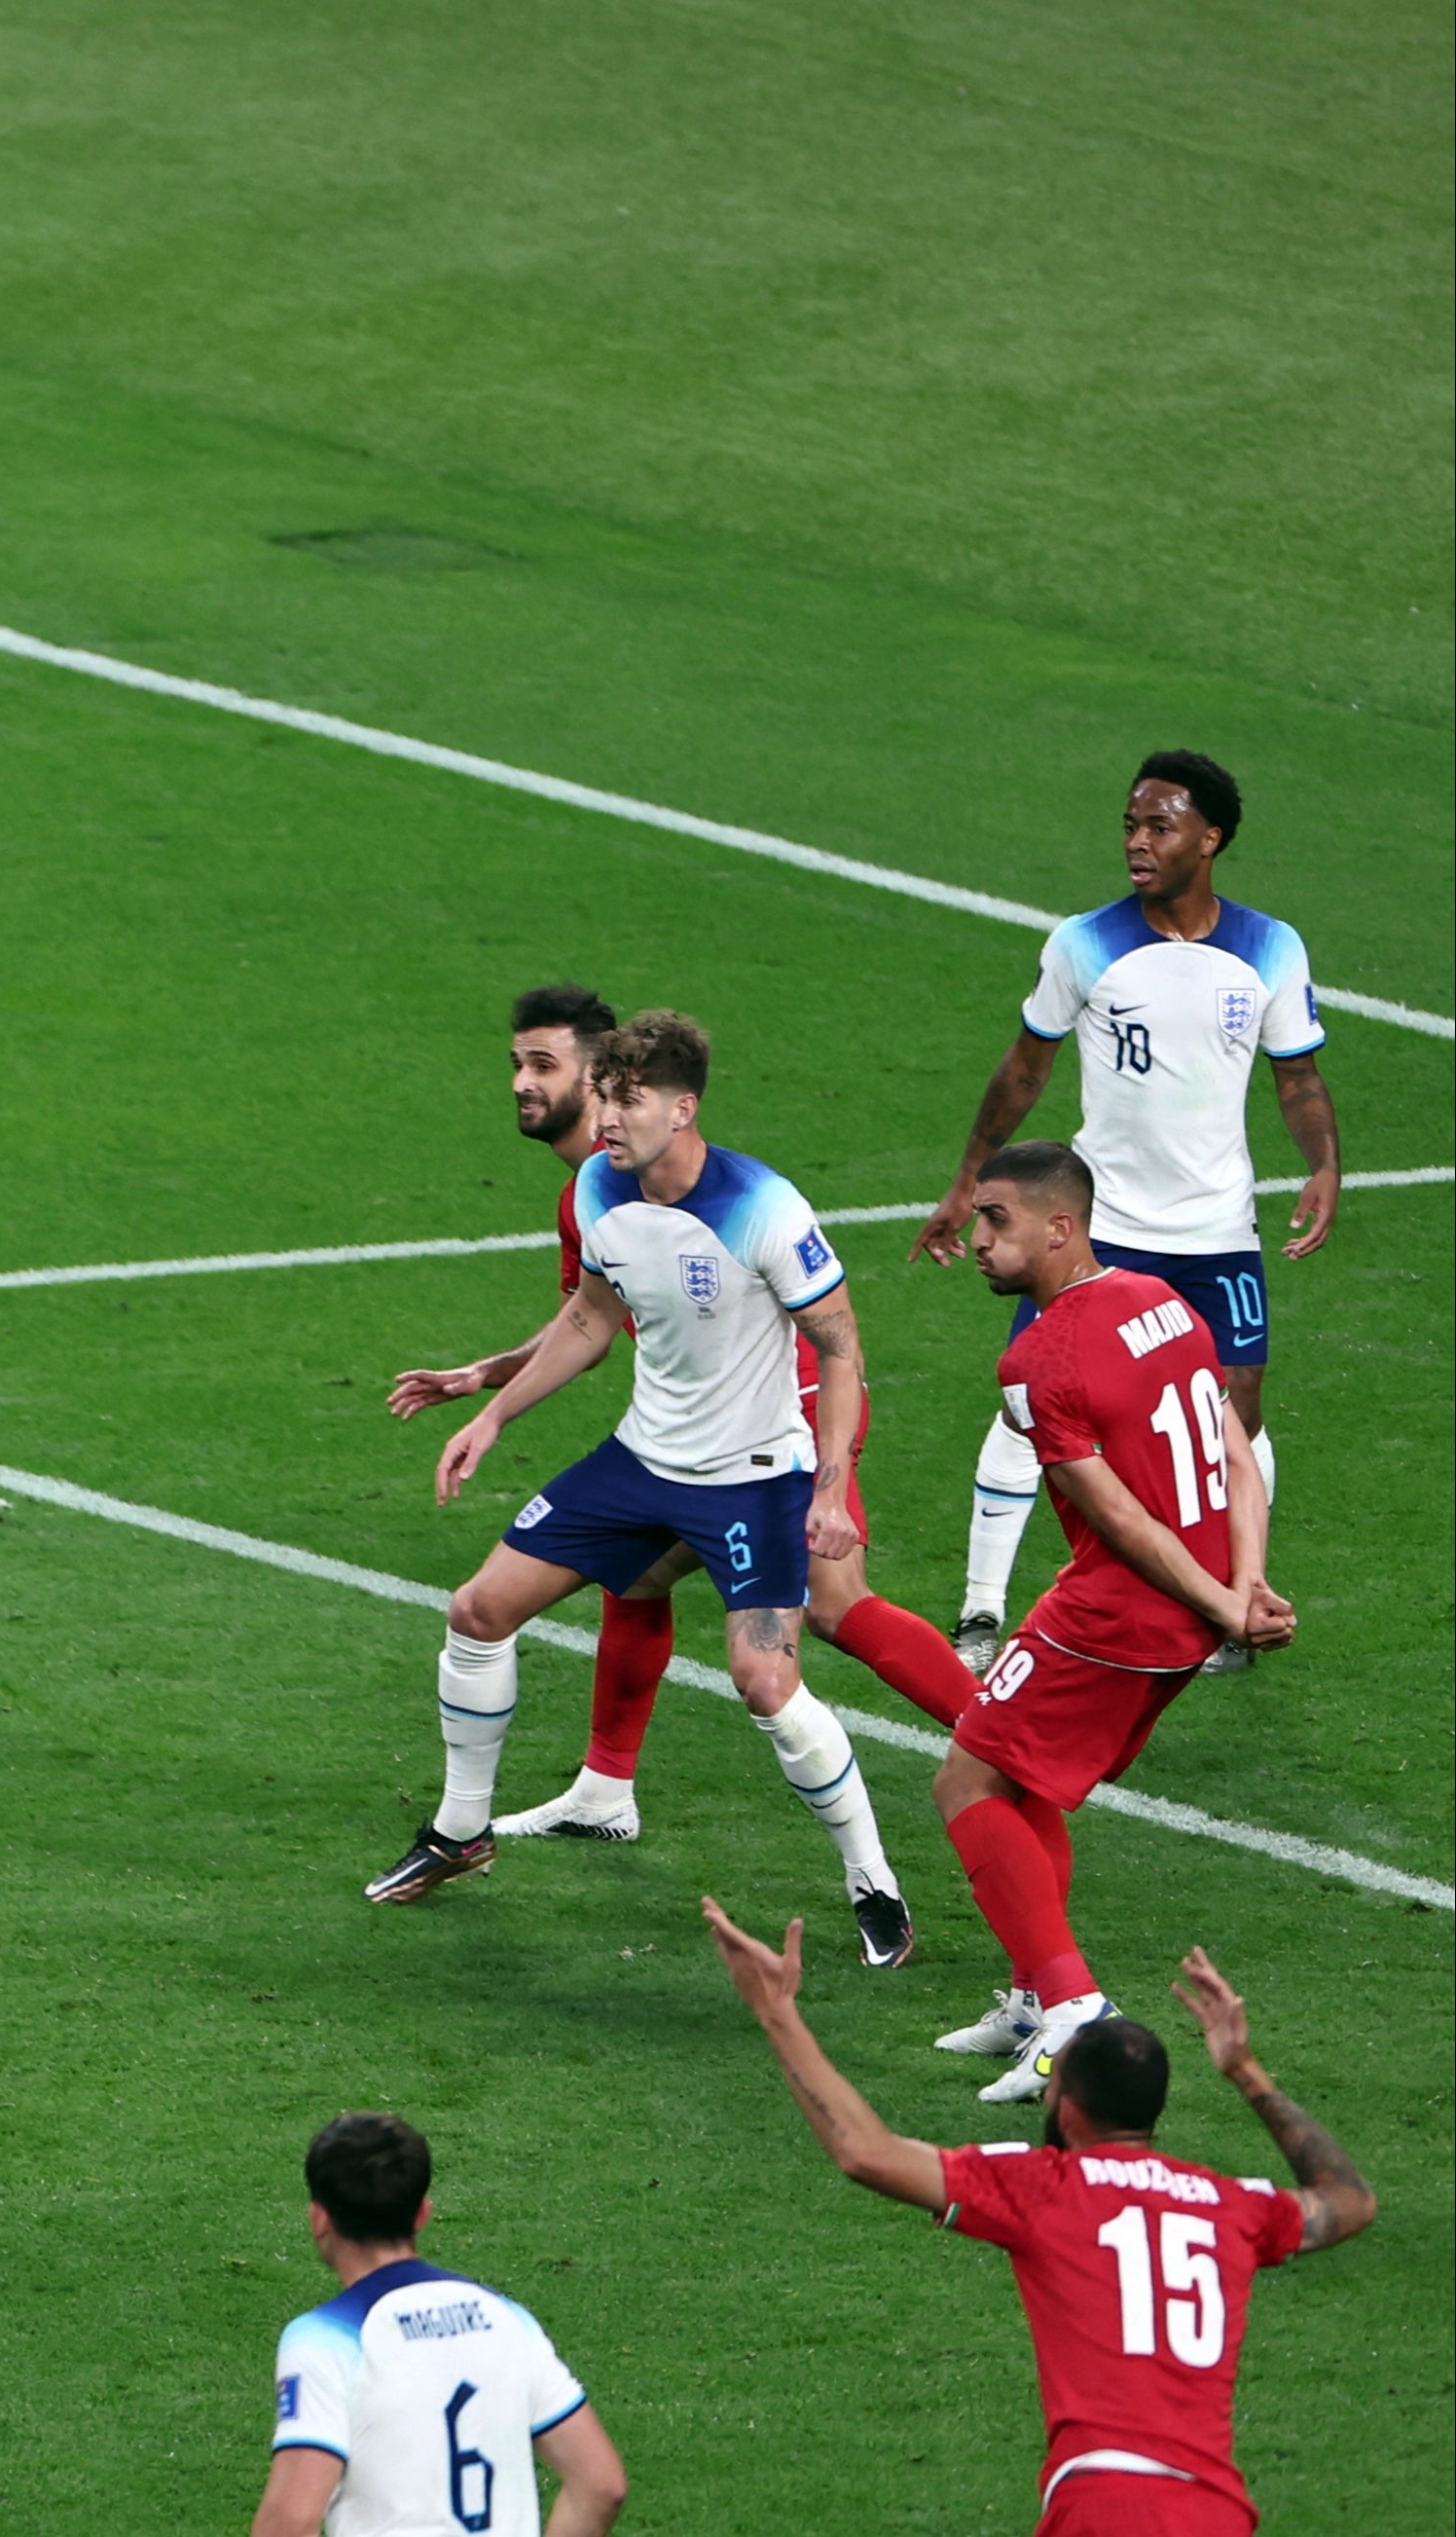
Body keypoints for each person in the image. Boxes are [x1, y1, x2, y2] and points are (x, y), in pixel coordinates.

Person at [377, 1011, 917, 1962]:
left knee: (764, 1681)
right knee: (475, 1609)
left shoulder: (763, 1207)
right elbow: (588, 1318)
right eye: (604, 1096)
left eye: (627, 1099)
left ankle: (873, 1882)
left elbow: (838, 1348)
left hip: (752, 1479)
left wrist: (827, 1489)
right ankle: (461, 1832)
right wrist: (491, 1412)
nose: (608, 1118)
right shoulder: (595, 1186)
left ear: (682, 1106)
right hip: (639, 1465)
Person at [702, 1902, 1368, 2537]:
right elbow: (1347, 2201)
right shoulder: (1231, 2204)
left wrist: (775, 2015)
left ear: (1067, 2105)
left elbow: (865, 2152)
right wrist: (1245, 2071)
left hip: (1108, 2517)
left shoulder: (1043, 2187)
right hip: (1218, 2530)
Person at [911, 753, 1336, 1677]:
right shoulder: (1083, 943)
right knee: (1033, 1404)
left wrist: (1321, 1167)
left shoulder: (1271, 947)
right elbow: (1024, 1068)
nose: (1137, 844)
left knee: (1237, 1407)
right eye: (1129, 826)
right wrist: (966, 1183)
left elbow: (1296, 1077)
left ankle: (1238, 1600)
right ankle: (981, 1609)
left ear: (1209, 838)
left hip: (1217, 1228)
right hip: (1098, 1231)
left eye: (1159, 827)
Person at [919, 1145, 1289, 2105]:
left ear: (1059, 1226)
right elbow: (1234, 1452)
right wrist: (1242, 1588)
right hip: (1187, 1599)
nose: (977, 1238)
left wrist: (1218, 1607)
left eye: (994, 1220)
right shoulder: (1164, 1304)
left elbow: (1118, 1516)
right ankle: (1034, 1992)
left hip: (1118, 1606)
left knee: (963, 1774)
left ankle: (1072, 2008)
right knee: (1019, 1772)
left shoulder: (1033, 1358)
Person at [240, 2113, 625, 2537]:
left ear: (319, 2218)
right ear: (421, 2212)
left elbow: (293, 2524)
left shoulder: (322, 2340)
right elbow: (601, 2484)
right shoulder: (506, 2318)